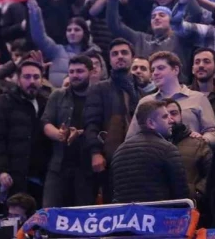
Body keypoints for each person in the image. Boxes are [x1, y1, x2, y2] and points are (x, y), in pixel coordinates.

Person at [84, 38, 143, 203]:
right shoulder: (99, 89)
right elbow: (91, 123)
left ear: (132, 57)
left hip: (139, 157)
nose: (120, 56)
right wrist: (95, 153)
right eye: (115, 54)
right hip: (111, 159)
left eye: (124, 52)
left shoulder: (141, 91)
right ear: (110, 60)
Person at [0, 60, 51, 207]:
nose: (32, 81)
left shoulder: (46, 102)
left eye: (36, 77)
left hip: (40, 174)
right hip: (14, 175)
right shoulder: (4, 102)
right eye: (27, 77)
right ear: (18, 79)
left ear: (42, 80)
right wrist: (1, 170)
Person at [106, 0, 193, 83]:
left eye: (162, 15)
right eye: (153, 16)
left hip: (176, 89)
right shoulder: (140, 39)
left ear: (171, 20)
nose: (156, 18)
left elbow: (196, 14)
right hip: (143, 89)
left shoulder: (180, 37)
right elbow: (115, 26)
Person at [127, 51, 215, 145]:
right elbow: (131, 137)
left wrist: (202, 141)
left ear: (175, 70)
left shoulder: (198, 98)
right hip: (154, 152)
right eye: (153, 70)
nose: (155, 73)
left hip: (189, 152)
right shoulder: (145, 102)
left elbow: (212, 131)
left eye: (160, 68)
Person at [41, 56, 95, 208]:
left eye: (80, 71)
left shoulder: (98, 95)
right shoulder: (57, 95)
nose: (75, 75)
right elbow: (46, 122)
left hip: (86, 167)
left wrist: (80, 133)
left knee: (83, 215)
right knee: (50, 212)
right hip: (58, 165)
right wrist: (58, 134)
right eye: (71, 71)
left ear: (91, 72)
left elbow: (102, 127)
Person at [111, 102, 188, 203]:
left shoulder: (119, 151)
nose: (170, 120)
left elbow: (116, 191)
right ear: (151, 123)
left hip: (127, 212)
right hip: (160, 211)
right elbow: (181, 193)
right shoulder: (167, 149)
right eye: (165, 117)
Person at [165, 99, 212, 202]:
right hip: (159, 205)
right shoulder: (152, 145)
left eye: (174, 113)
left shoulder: (198, 143)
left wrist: (197, 192)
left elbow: (212, 172)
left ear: (181, 115)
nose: (170, 118)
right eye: (165, 115)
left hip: (192, 204)